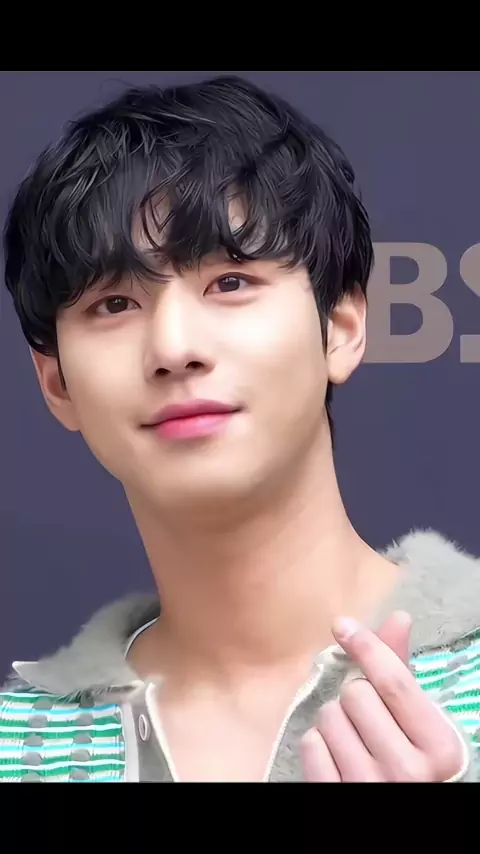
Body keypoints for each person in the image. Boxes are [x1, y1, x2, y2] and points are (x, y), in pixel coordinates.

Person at [1, 75, 480, 784]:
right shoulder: (19, 748)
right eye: (115, 303)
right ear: (57, 383)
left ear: (341, 327)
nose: (174, 348)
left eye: (230, 282)